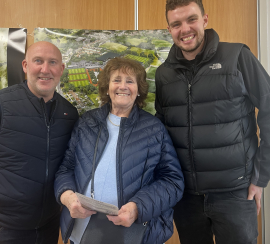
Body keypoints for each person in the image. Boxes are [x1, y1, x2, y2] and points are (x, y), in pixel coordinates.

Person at [155, 0, 270, 244]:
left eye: (191, 19)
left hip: (235, 194)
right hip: (186, 197)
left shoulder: (237, 57)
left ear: (204, 19)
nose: (185, 29)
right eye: (176, 24)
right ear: (169, 28)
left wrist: (260, 177)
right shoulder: (164, 74)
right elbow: (161, 129)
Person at [0, 41, 79, 244]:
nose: (45, 69)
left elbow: (69, 167)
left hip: (47, 229)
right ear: (25, 66)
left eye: (52, 62)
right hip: (0, 230)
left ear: (61, 69)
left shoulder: (69, 114)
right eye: (38, 61)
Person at [54, 57, 184, 244]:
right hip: (83, 231)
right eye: (117, 80)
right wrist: (67, 197)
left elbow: (173, 182)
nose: (123, 86)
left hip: (136, 232)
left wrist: (138, 208)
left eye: (130, 81)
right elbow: (66, 168)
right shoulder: (87, 123)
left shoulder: (154, 129)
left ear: (138, 90)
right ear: (107, 87)